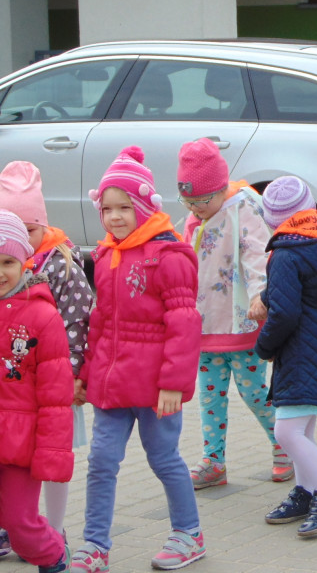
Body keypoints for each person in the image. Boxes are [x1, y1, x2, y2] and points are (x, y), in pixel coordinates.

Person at [73, 146, 205, 572]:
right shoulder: (107, 255)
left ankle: (189, 533)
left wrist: (173, 383)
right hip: (112, 388)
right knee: (100, 462)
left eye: (124, 207)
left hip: (155, 390)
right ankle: (95, 545)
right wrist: (85, 374)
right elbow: (99, 321)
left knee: (164, 458)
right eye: (107, 208)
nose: (114, 216)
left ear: (145, 207)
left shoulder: (168, 257)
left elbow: (184, 324)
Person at [176, 139, 289, 490]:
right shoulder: (194, 220)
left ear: (221, 188)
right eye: (189, 201)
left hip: (241, 322)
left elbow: (258, 255)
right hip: (205, 324)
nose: (196, 208)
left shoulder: (243, 211)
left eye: (202, 201)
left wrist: (261, 296)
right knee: (209, 395)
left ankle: (284, 444)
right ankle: (213, 460)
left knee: (254, 392)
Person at [0, 161, 92, 541]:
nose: (26, 237)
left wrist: (73, 374)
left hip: (56, 383)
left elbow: (79, 322)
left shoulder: (63, 262)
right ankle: (15, 527)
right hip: (14, 387)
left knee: (54, 456)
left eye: (32, 229)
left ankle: (53, 530)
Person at [258, 176, 317, 538]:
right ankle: (306, 490)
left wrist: (265, 346)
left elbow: (283, 312)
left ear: (273, 220)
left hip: (300, 351)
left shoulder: (285, 254)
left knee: (286, 430)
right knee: (303, 426)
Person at [0, 210, 74, 573]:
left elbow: (56, 398)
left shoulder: (43, 317)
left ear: (24, 262)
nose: (0, 271)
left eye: (8, 262)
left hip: (20, 444)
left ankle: (55, 557)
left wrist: (52, 454)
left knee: (20, 526)